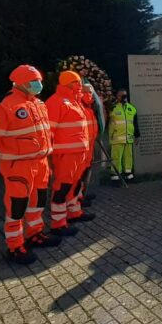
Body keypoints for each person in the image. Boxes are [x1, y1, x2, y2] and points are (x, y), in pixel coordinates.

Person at [0, 64, 62, 267]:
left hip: (41, 163)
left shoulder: (38, 104)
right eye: (34, 81)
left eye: (39, 81)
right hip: (18, 166)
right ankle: (15, 246)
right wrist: (4, 157)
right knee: (16, 207)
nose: (38, 85)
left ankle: (35, 234)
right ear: (21, 82)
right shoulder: (3, 105)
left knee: (37, 202)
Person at [46, 71, 95, 228]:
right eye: (76, 82)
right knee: (62, 187)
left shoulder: (75, 102)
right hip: (65, 154)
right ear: (67, 83)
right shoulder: (55, 102)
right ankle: (58, 222)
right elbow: (49, 131)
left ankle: (74, 212)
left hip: (79, 153)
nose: (79, 85)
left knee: (75, 184)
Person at [76, 80, 104, 208]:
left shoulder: (88, 108)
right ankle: (75, 201)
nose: (91, 96)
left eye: (92, 93)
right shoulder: (79, 108)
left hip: (88, 146)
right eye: (88, 93)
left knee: (84, 173)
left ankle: (80, 196)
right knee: (77, 176)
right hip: (78, 150)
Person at [109, 88, 139, 183]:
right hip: (117, 139)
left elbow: (135, 123)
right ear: (117, 97)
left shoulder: (132, 108)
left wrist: (137, 135)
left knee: (128, 158)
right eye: (121, 95)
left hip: (129, 139)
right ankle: (116, 178)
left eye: (125, 95)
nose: (124, 97)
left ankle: (129, 176)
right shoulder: (112, 108)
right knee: (116, 158)